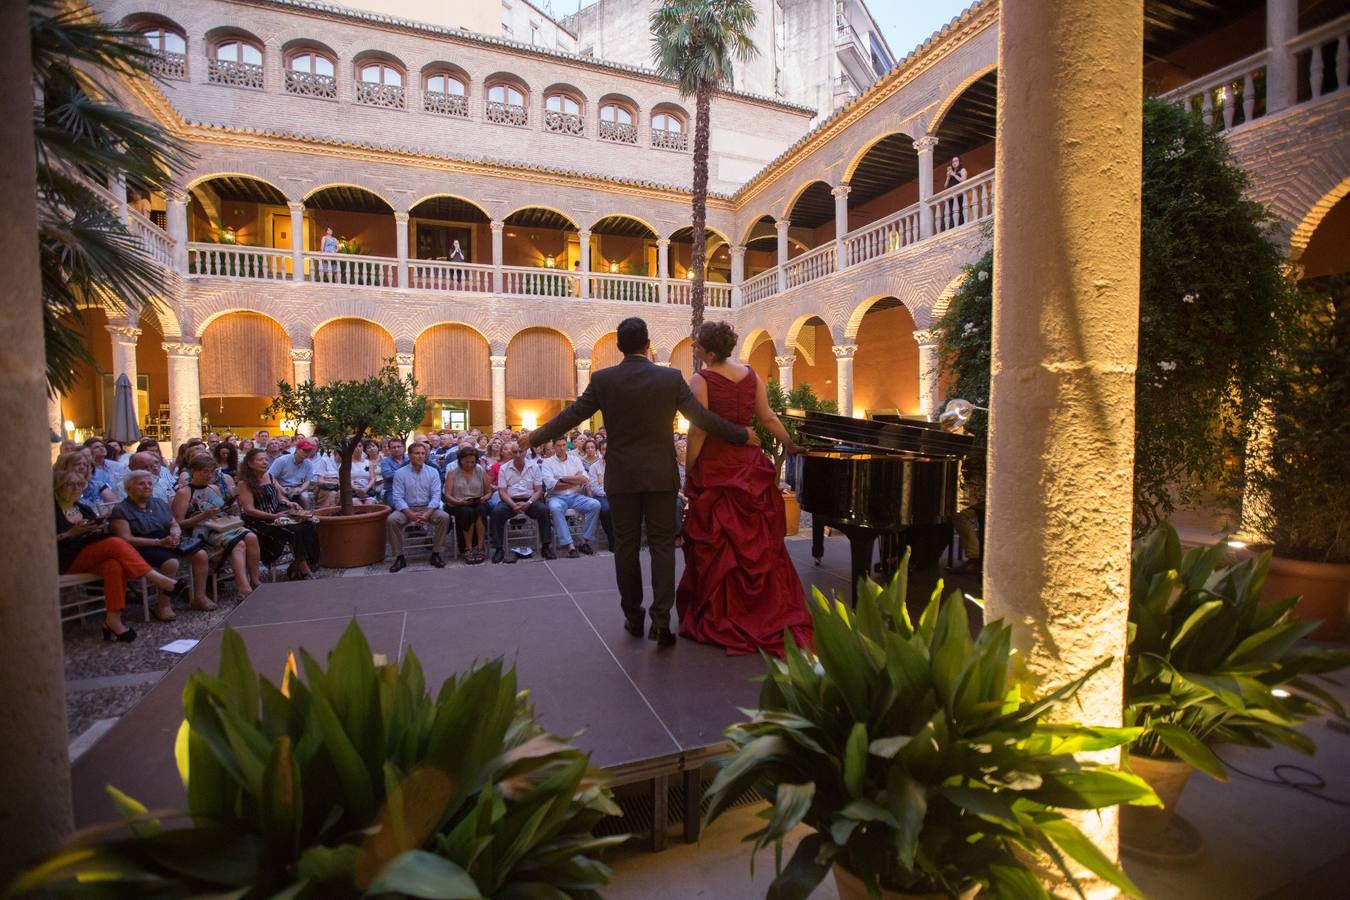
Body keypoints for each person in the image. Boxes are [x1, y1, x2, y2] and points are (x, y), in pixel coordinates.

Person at [530, 316, 756, 647]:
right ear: (648, 344)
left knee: (626, 547)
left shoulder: (603, 380)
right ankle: (662, 622)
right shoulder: (670, 378)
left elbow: (570, 416)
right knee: (664, 547)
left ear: (619, 347)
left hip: (622, 478)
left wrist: (534, 436)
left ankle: (633, 618)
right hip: (661, 477)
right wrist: (740, 434)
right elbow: (702, 419)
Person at [675, 321, 812, 656]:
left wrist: (690, 467)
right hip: (749, 466)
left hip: (718, 467)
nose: (693, 349)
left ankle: (724, 615)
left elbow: (699, 431)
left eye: (696, 346)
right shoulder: (751, 374)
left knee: (719, 543)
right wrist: (789, 444)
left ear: (708, 351)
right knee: (761, 543)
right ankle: (767, 610)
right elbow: (767, 418)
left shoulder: (701, 380)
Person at [54, 458, 178, 642]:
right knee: (116, 543)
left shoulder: (82, 508)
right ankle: (160, 580)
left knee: (114, 565)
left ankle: (113, 620)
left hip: (88, 554)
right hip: (64, 559)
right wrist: (69, 534)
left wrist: (97, 528)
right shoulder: (50, 511)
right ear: (58, 486)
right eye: (70, 485)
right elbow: (39, 544)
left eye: (79, 485)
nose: (75, 489)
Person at [110, 469, 211, 618]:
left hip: (165, 539)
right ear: (129, 488)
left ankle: (199, 597)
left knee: (200, 555)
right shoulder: (121, 509)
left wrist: (175, 533)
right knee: (171, 562)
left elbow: (173, 522)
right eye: (141, 484)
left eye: (150, 483)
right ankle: (163, 605)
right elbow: (126, 539)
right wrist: (158, 542)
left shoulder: (158, 503)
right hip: (141, 544)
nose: (147, 486)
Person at [173, 452, 261, 599]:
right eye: (204, 471)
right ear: (194, 471)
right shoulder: (184, 493)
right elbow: (179, 524)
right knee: (238, 544)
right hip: (201, 532)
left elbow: (220, 511)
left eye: (211, 472)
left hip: (221, 527)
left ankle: (254, 579)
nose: (208, 475)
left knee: (251, 537)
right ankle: (244, 587)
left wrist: (229, 509)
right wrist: (202, 516)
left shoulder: (214, 488)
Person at [237, 447, 320, 579]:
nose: (265, 462)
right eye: (260, 460)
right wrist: (273, 516)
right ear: (250, 463)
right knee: (295, 531)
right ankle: (305, 571)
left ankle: (300, 564)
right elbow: (249, 510)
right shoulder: (244, 483)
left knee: (309, 524)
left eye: (266, 459)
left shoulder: (269, 476)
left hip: (277, 513)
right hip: (259, 520)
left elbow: (279, 497)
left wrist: (289, 503)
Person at [387, 442, 450, 571]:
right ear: (409, 456)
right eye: (416, 453)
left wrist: (427, 513)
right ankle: (399, 557)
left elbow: (436, 495)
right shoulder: (400, 473)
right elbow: (397, 497)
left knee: (444, 517)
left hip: (428, 508)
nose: (420, 456)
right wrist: (409, 513)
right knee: (391, 520)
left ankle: (436, 553)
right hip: (407, 508)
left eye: (422, 453)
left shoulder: (433, 472)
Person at [490, 442, 554, 563]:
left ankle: (545, 546)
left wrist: (528, 503)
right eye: (515, 452)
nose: (518, 455)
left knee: (543, 510)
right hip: (510, 501)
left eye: (521, 451)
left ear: (526, 452)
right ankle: (499, 548)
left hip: (530, 500)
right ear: (511, 453)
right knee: (497, 512)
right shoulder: (504, 468)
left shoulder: (534, 466)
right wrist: (513, 505)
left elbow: (539, 490)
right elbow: (502, 492)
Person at [541, 438, 601, 558]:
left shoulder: (575, 460)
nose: (562, 448)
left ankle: (584, 542)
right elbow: (551, 485)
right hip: (556, 497)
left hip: (576, 496)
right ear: (554, 447)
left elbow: (584, 478)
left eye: (564, 445)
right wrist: (574, 480)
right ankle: (570, 545)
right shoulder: (547, 463)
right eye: (558, 445)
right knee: (555, 508)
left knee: (595, 505)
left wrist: (562, 478)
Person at [444, 445, 491, 563]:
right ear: (460, 460)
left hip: (477, 501)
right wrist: (458, 502)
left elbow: (488, 491)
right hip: (458, 504)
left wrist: (485, 497)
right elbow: (448, 495)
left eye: (472, 462)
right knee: (467, 512)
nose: (470, 465)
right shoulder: (452, 473)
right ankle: (468, 547)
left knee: (481, 510)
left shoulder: (480, 470)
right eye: (467, 462)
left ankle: (480, 546)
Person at [268, 438, 317, 508]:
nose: (307, 453)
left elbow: (307, 481)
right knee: (282, 499)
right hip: (281, 487)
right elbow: (271, 477)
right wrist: (281, 489)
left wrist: (300, 489)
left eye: (309, 451)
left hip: (297, 488)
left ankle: (307, 516)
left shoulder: (308, 463)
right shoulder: (282, 460)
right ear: (297, 449)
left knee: (305, 497)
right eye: (304, 450)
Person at [945, 155, 967, 227]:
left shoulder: (962, 170)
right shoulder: (951, 173)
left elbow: (963, 180)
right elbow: (945, 186)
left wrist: (954, 174)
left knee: (958, 210)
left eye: (956, 161)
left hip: (958, 195)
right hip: (951, 196)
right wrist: (948, 177)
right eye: (953, 161)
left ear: (959, 162)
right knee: (950, 212)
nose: (954, 163)